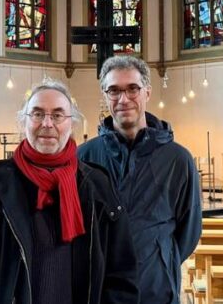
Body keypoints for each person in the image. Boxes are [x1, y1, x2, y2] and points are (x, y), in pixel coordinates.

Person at [0, 80, 139, 304]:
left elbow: (122, 275)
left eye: (58, 115)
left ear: (71, 124)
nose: (47, 124)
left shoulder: (97, 185)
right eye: (37, 114)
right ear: (24, 122)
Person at [79, 56, 202, 304]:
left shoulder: (178, 159)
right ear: (105, 95)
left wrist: (157, 256)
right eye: (113, 90)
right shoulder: (84, 156)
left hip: (156, 289)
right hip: (99, 290)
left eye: (132, 88)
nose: (123, 99)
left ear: (147, 92)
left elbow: (188, 233)